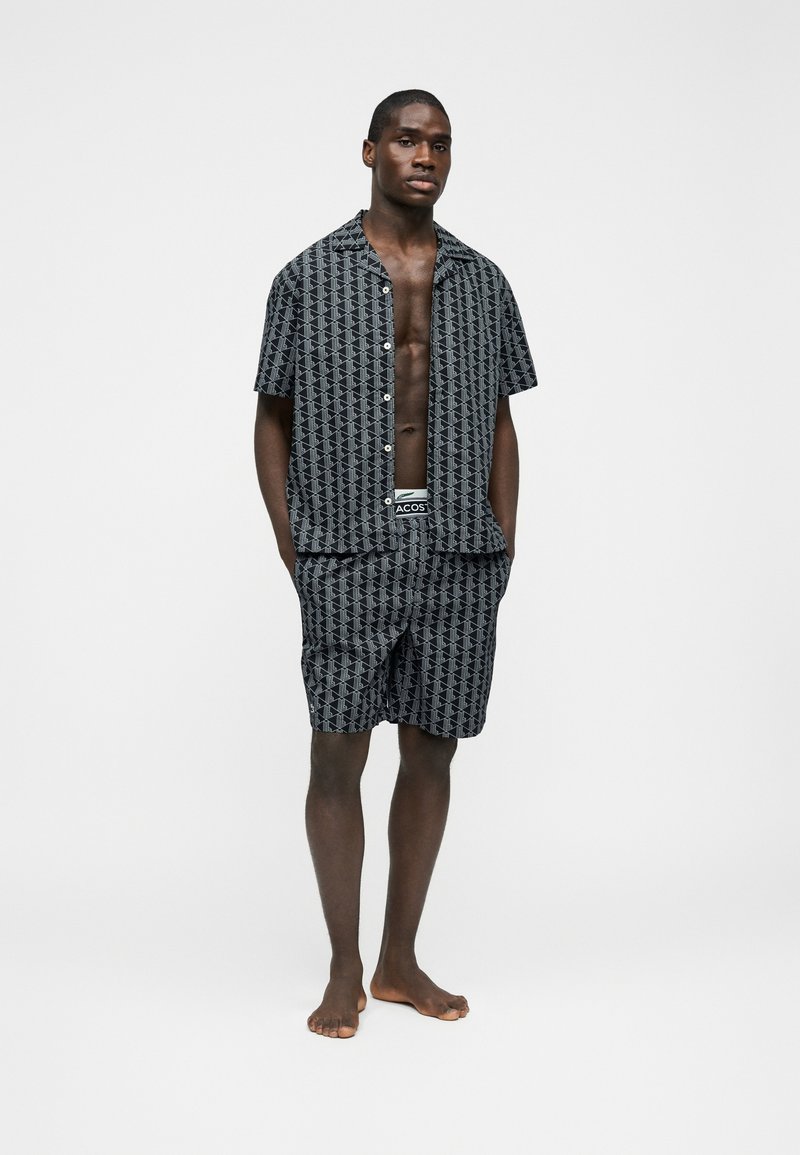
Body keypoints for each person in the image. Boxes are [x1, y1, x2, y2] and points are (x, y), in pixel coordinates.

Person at [253, 89, 537, 1039]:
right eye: (408, 140)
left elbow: (501, 419)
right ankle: (343, 966)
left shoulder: (484, 281)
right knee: (337, 748)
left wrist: (503, 539)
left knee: (433, 747)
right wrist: (296, 544)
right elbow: (271, 417)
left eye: (440, 144)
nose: (425, 156)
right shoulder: (307, 276)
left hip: (458, 548)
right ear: (370, 150)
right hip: (345, 548)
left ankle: (398, 959)